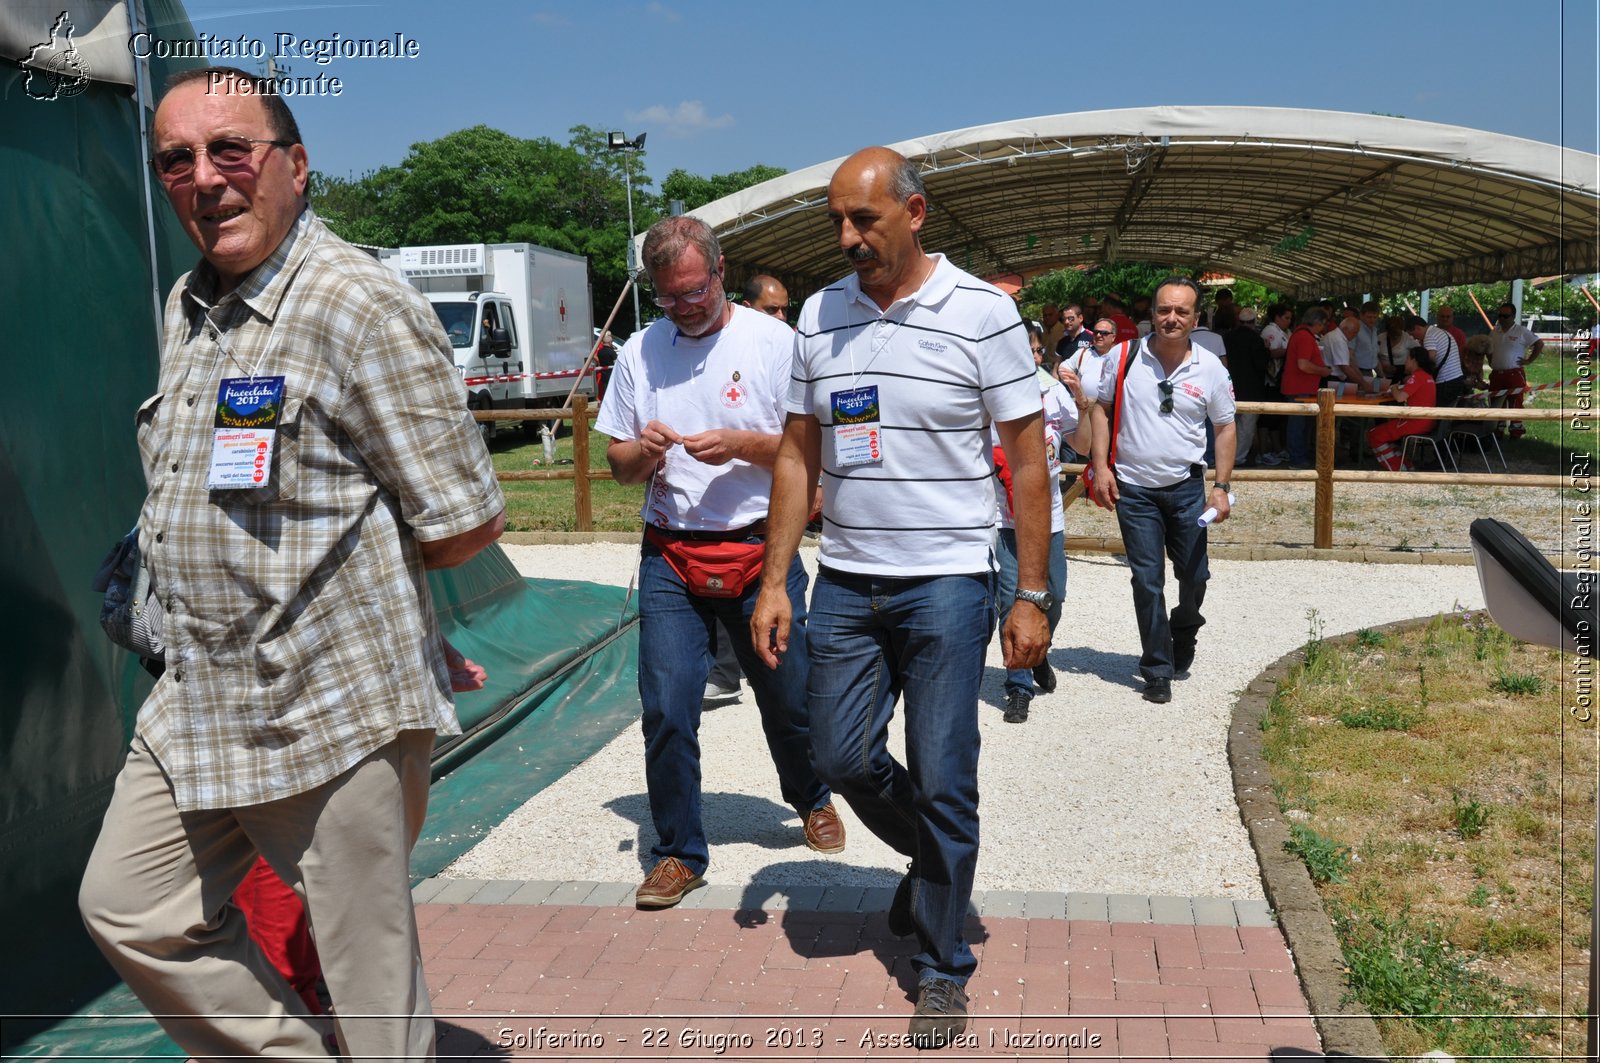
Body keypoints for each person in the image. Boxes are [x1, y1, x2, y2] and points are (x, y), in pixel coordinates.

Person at [78, 66, 506, 1061]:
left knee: (371, 990)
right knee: (130, 908)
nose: (205, 177)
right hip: (196, 700)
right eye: (176, 159)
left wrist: (378, 611)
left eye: (232, 150)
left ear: (296, 167)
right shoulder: (191, 305)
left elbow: (462, 520)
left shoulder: (359, 303)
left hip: (329, 701)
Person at [750, 146, 1050, 1049]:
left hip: (950, 581)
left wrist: (1029, 593)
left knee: (946, 774)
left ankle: (943, 966)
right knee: (839, 756)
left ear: (915, 214)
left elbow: (1028, 459)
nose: (846, 238)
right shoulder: (819, 313)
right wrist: (774, 577)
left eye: (864, 220)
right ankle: (930, 862)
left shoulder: (982, 313)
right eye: (836, 221)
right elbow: (799, 452)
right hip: (846, 578)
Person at [596, 216, 844, 910]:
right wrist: (642, 451)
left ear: (721, 270)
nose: (684, 307)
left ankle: (810, 794)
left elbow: (809, 452)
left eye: (695, 291)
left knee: (789, 696)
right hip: (672, 550)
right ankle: (678, 850)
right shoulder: (641, 352)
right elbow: (615, 464)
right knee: (667, 708)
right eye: (669, 297)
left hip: (762, 545)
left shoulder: (773, 342)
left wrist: (741, 443)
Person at [1088, 276, 1236, 705]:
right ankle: (1156, 667)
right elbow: (1101, 408)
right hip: (1134, 489)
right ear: (1151, 314)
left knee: (1195, 575)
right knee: (1146, 581)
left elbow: (1225, 427)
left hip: (1187, 488)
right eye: (1164, 310)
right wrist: (1101, 467)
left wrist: (1221, 487)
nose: (1171, 319)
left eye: (1181, 311)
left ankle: (1184, 627)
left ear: (1196, 318)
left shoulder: (1209, 367)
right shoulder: (1124, 356)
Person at [702, 274, 798, 701]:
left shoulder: (785, 346)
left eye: (785, 309)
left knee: (790, 694)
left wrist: (741, 445)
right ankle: (724, 671)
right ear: (747, 304)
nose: (781, 317)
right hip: (705, 519)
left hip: (770, 514)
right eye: (771, 309)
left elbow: (803, 443)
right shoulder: (719, 349)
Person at [995, 326, 1092, 722]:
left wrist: (1084, 406)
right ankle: (1017, 687)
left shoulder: (1052, 391)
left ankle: (1038, 651)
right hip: (1002, 517)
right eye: (1027, 351)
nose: (1034, 359)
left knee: (1056, 595)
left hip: (1047, 515)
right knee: (1011, 600)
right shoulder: (990, 394)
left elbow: (1082, 446)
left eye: (1038, 351)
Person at [1367, 347, 1439, 471]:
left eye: (1407, 359)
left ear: (1413, 360)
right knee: (1387, 436)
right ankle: (1406, 465)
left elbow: (1400, 398)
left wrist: (1394, 387)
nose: (1405, 362)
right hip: (1426, 421)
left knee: (1374, 434)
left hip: (1415, 421)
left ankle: (1398, 469)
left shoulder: (1417, 376)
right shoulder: (1427, 376)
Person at [1280, 307, 1331, 467]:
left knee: (1302, 426)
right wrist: (1323, 371)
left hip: (1301, 388)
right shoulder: (1304, 337)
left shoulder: (1301, 334)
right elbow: (1303, 364)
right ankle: (1297, 459)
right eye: (1323, 324)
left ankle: (1300, 457)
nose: (1323, 328)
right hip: (1300, 389)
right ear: (1318, 323)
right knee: (1298, 426)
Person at [1219, 305, 1269, 467]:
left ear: (1239, 321)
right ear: (1253, 322)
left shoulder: (1227, 337)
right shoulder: (1256, 339)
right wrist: (1267, 351)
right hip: (1251, 389)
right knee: (1246, 427)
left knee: (1227, 425)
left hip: (1229, 387)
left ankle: (1225, 456)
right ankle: (1238, 457)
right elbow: (1261, 364)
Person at [1489, 301, 1543, 438]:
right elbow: (1488, 347)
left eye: (1505, 316)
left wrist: (1529, 360)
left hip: (1514, 373)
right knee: (1496, 401)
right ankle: (1497, 429)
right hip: (1496, 374)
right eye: (1500, 315)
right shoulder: (1495, 331)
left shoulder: (1521, 331)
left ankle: (1516, 431)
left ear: (1513, 316)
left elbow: (1539, 344)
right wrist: (1491, 360)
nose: (1501, 318)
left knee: (1515, 401)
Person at [1406, 313, 1466, 408]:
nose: (1414, 338)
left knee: (1439, 414)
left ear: (1418, 328)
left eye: (1412, 334)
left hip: (1445, 381)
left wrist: (1416, 375)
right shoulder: (1440, 332)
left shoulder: (1429, 337)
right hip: (1457, 377)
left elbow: (1430, 359)